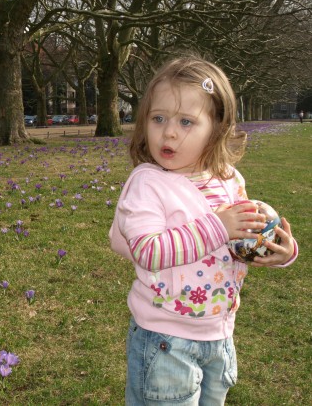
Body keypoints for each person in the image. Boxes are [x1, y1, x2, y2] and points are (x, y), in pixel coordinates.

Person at [109, 56, 298, 405]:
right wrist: (218, 226)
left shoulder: (228, 180)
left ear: (217, 127)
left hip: (219, 335)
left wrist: (278, 250)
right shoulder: (148, 185)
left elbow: (245, 239)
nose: (168, 131)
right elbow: (148, 251)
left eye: (186, 121)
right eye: (158, 118)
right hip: (166, 339)